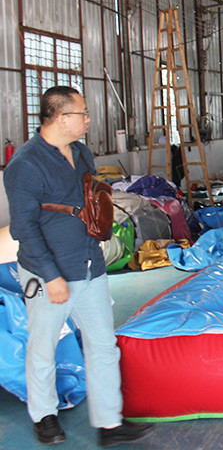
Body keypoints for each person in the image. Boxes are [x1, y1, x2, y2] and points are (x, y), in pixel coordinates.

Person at [4, 86, 154, 447]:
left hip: (90, 268)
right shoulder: (24, 165)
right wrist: (51, 277)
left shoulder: (82, 152)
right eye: (82, 113)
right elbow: (24, 229)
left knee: (103, 345)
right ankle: (45, 417)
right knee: (43, 347)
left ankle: (109, 423)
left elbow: (89, 199)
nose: (88, 119)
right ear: (61, 118)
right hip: (49, 274)